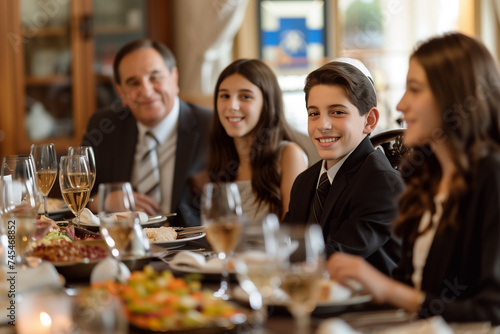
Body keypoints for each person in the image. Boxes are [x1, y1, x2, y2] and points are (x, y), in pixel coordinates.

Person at [327, 32, 500, 323]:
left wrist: (386, 288)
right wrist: (362, 285)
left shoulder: (491, 176)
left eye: (415, 89)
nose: (400, 105)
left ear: (454, 96)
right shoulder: (423, 175)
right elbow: (413, 288)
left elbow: (492, 312)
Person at [283, 58, 405, 276]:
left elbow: (336, 257)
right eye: (314, 113)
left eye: (337, 112)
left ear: (369, 120)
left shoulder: (382, 183)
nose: (323, 125)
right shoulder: (305, 182)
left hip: (367, 307)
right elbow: (284, 244)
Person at [81, 39, 212, 227]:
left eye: (155, 77)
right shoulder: (103, 126)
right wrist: (104, 201)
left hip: (191, 251)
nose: (146, 90)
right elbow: (72, 196)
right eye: (133, 82)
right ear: (121, 92)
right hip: (121, 247)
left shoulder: (211, 126)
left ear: (174, 78)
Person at [207, 59, 308, 222]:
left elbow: (293, 232)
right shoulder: (222, 158)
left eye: (245, 96)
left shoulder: (289, 155)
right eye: (224, 96)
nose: (232, 105)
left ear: (267, 103)